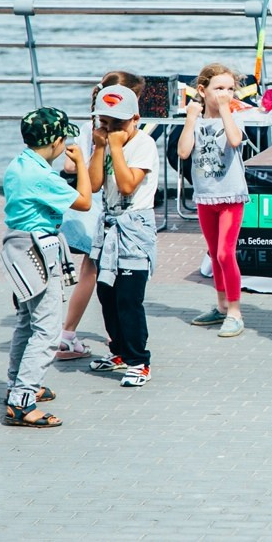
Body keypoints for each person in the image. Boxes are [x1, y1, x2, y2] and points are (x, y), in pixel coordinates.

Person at [0, 108, 92, 426]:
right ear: (54, 141)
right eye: (63, 136)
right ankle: (22, 402)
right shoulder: (40, 176)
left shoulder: (18, 165)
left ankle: (17, 386)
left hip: (17, 247)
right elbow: (84, 201)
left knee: (26, 322)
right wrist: (81, 163)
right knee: (48, 329)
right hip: (38, 252)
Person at [56, 70, 146, 360]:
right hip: (96, 210)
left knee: (99, 274)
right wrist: (102, 149)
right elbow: (95, 178)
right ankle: (68, 333)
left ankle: (112, 337)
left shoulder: (93, 126)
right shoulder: (99, 134)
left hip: (93, 207)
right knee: (94, 272)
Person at [86, 84, 159, 388]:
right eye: (104, 123)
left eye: (118, 123)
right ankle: (119, 351)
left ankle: (139, 360)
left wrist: (114, 146)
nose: (110, 129)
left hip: (134, 228)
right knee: (107, 294)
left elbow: (128, 185)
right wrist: (100, 147)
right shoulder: (102, 144)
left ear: (135, 120)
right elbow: (92, 185)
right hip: (108, 227)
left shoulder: (143, 145)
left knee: (129, 297)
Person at [178, 63, 248, 339]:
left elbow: (234, 140)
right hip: (205, 195)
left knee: (224, 253)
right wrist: (191, 119)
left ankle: (235, 311)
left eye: (230, 89)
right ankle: (220, 306)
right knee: (213, 253)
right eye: (219, 89)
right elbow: (183, 152)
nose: (225, 94)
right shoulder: (196, 119)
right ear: (202, 90)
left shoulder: (233, 116)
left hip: (231, 195)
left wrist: (226, 109)